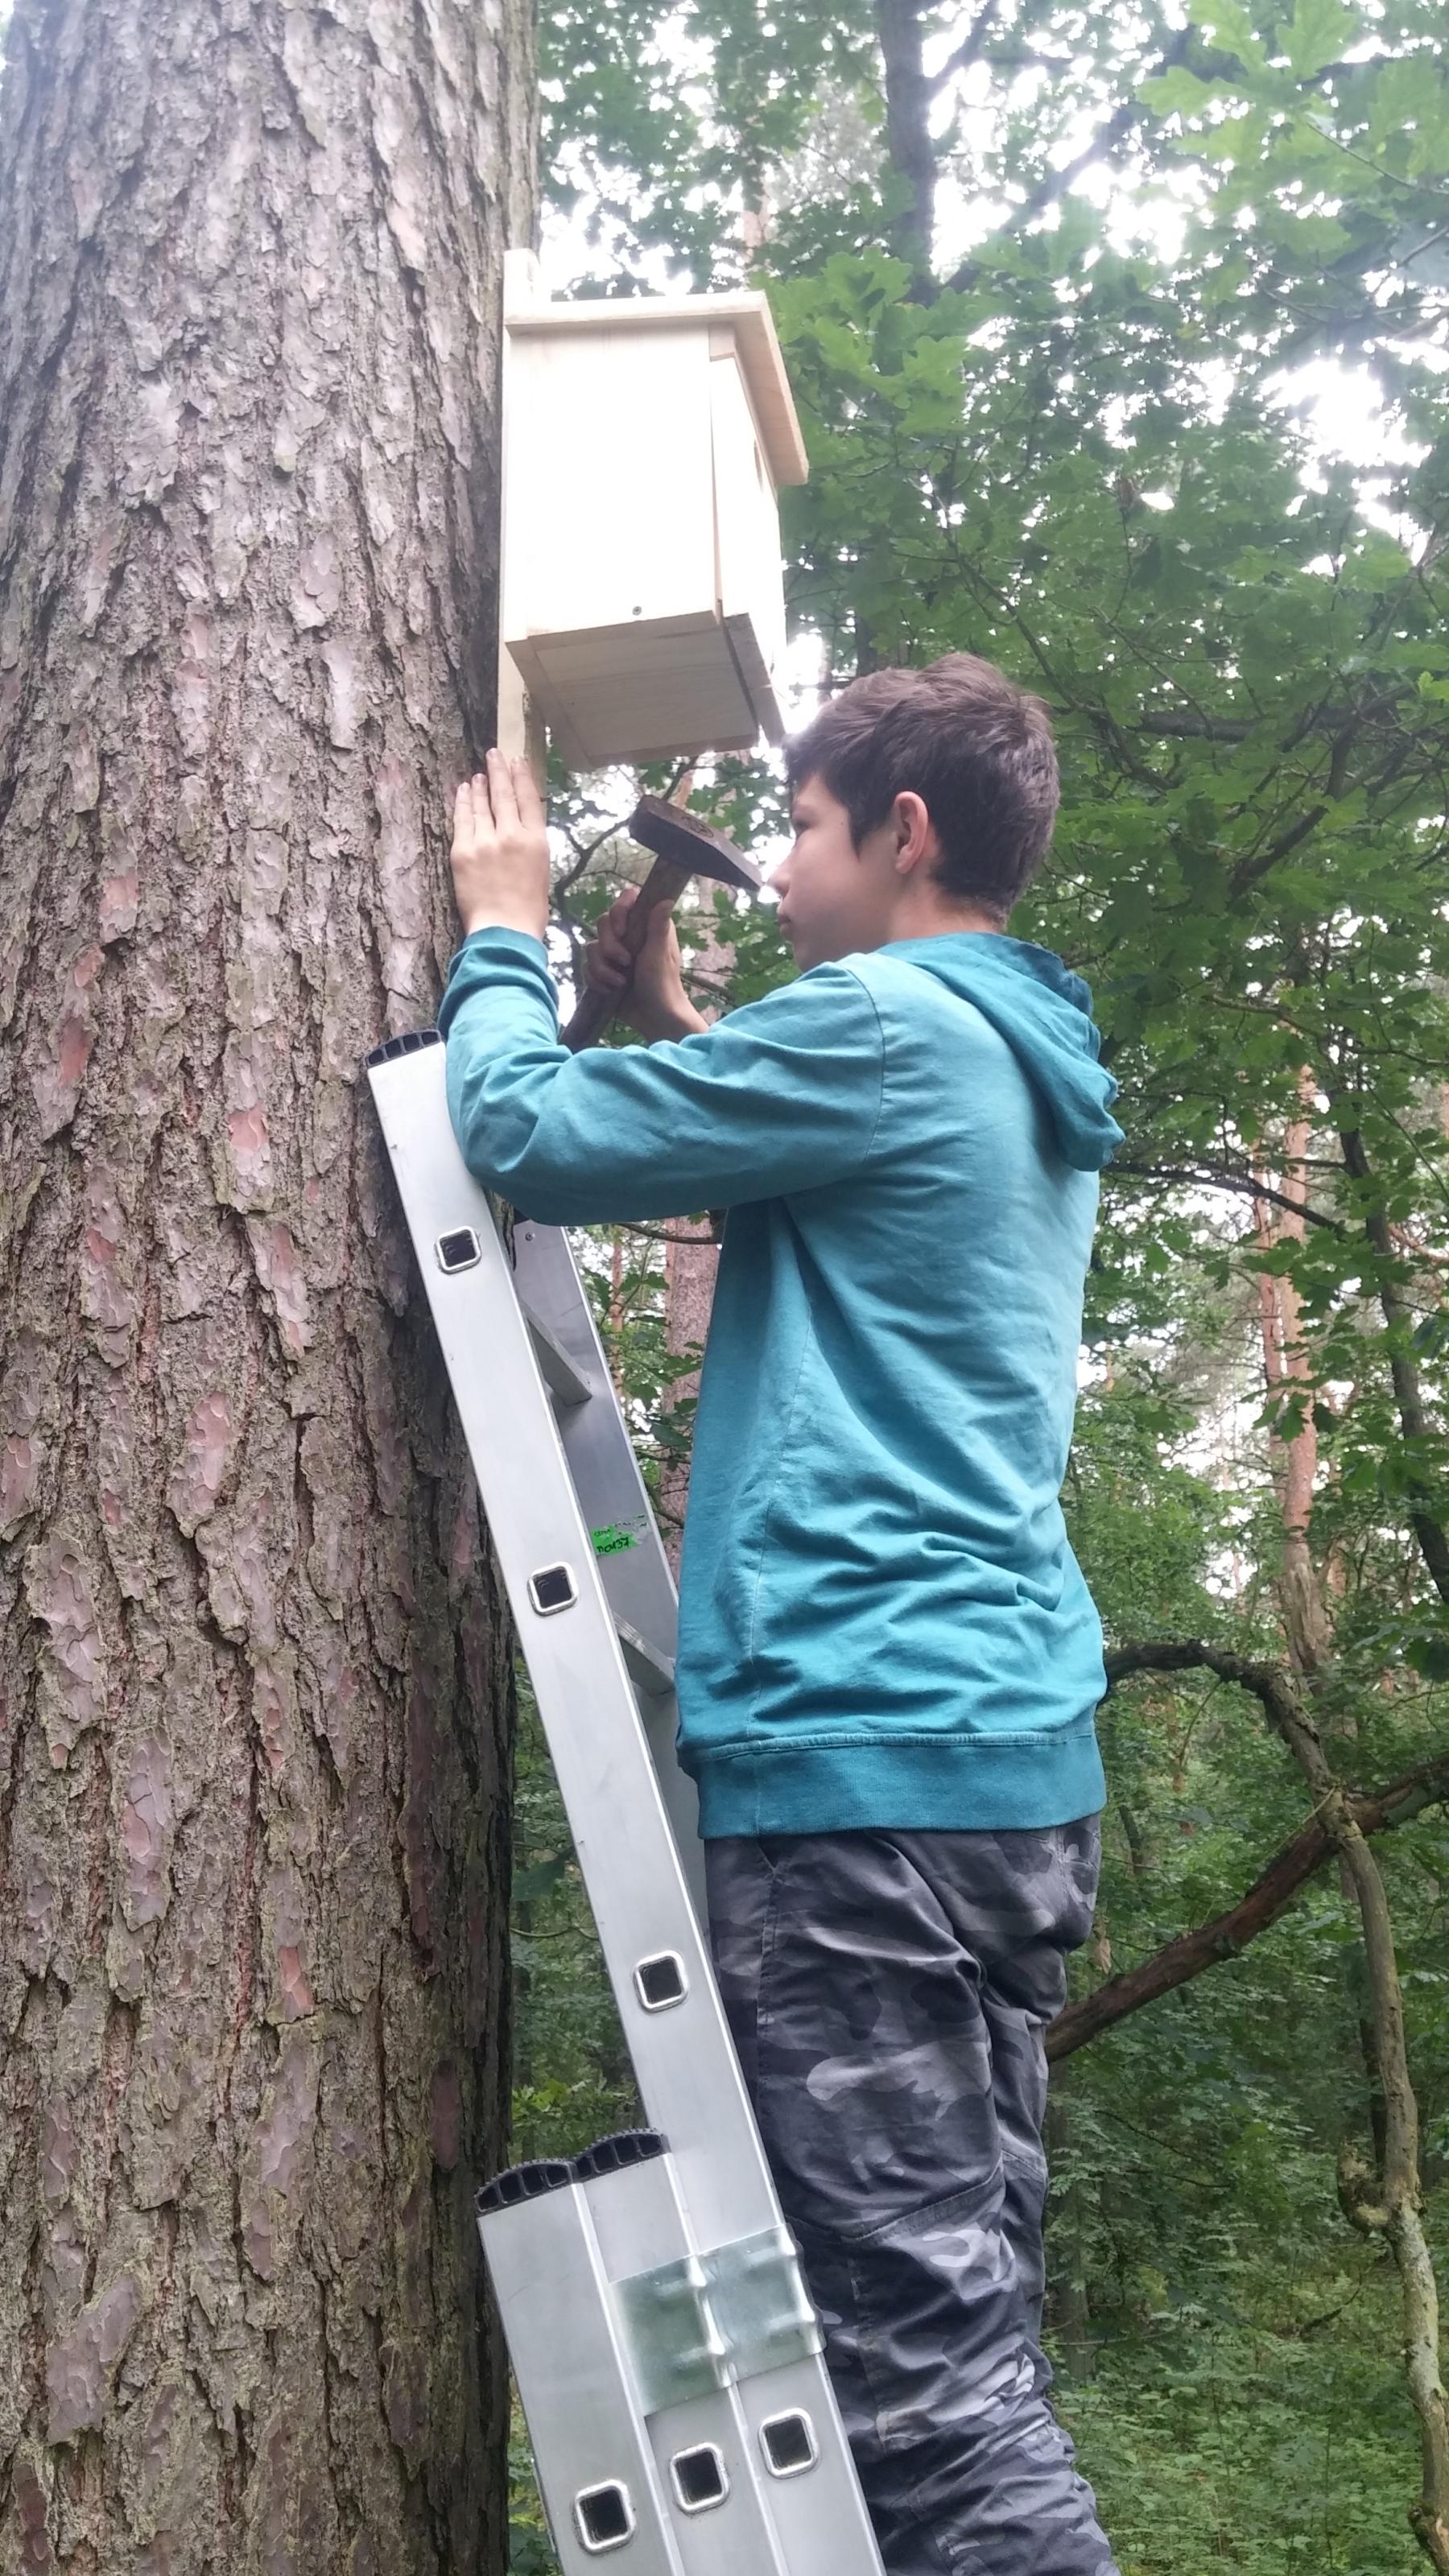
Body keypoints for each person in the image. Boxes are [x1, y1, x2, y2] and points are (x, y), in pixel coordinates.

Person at [439, 654, 1124, 2576]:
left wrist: (502, 930)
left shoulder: (882, 1029)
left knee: (926, 2411)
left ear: (902, 833)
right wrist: (679, 1033)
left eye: (802, 826)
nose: (780, 860)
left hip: (861, 1766)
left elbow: (526, 1134)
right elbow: (868, 1201)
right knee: (966, 2325)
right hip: (994, 1763)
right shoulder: (1005, 1049)